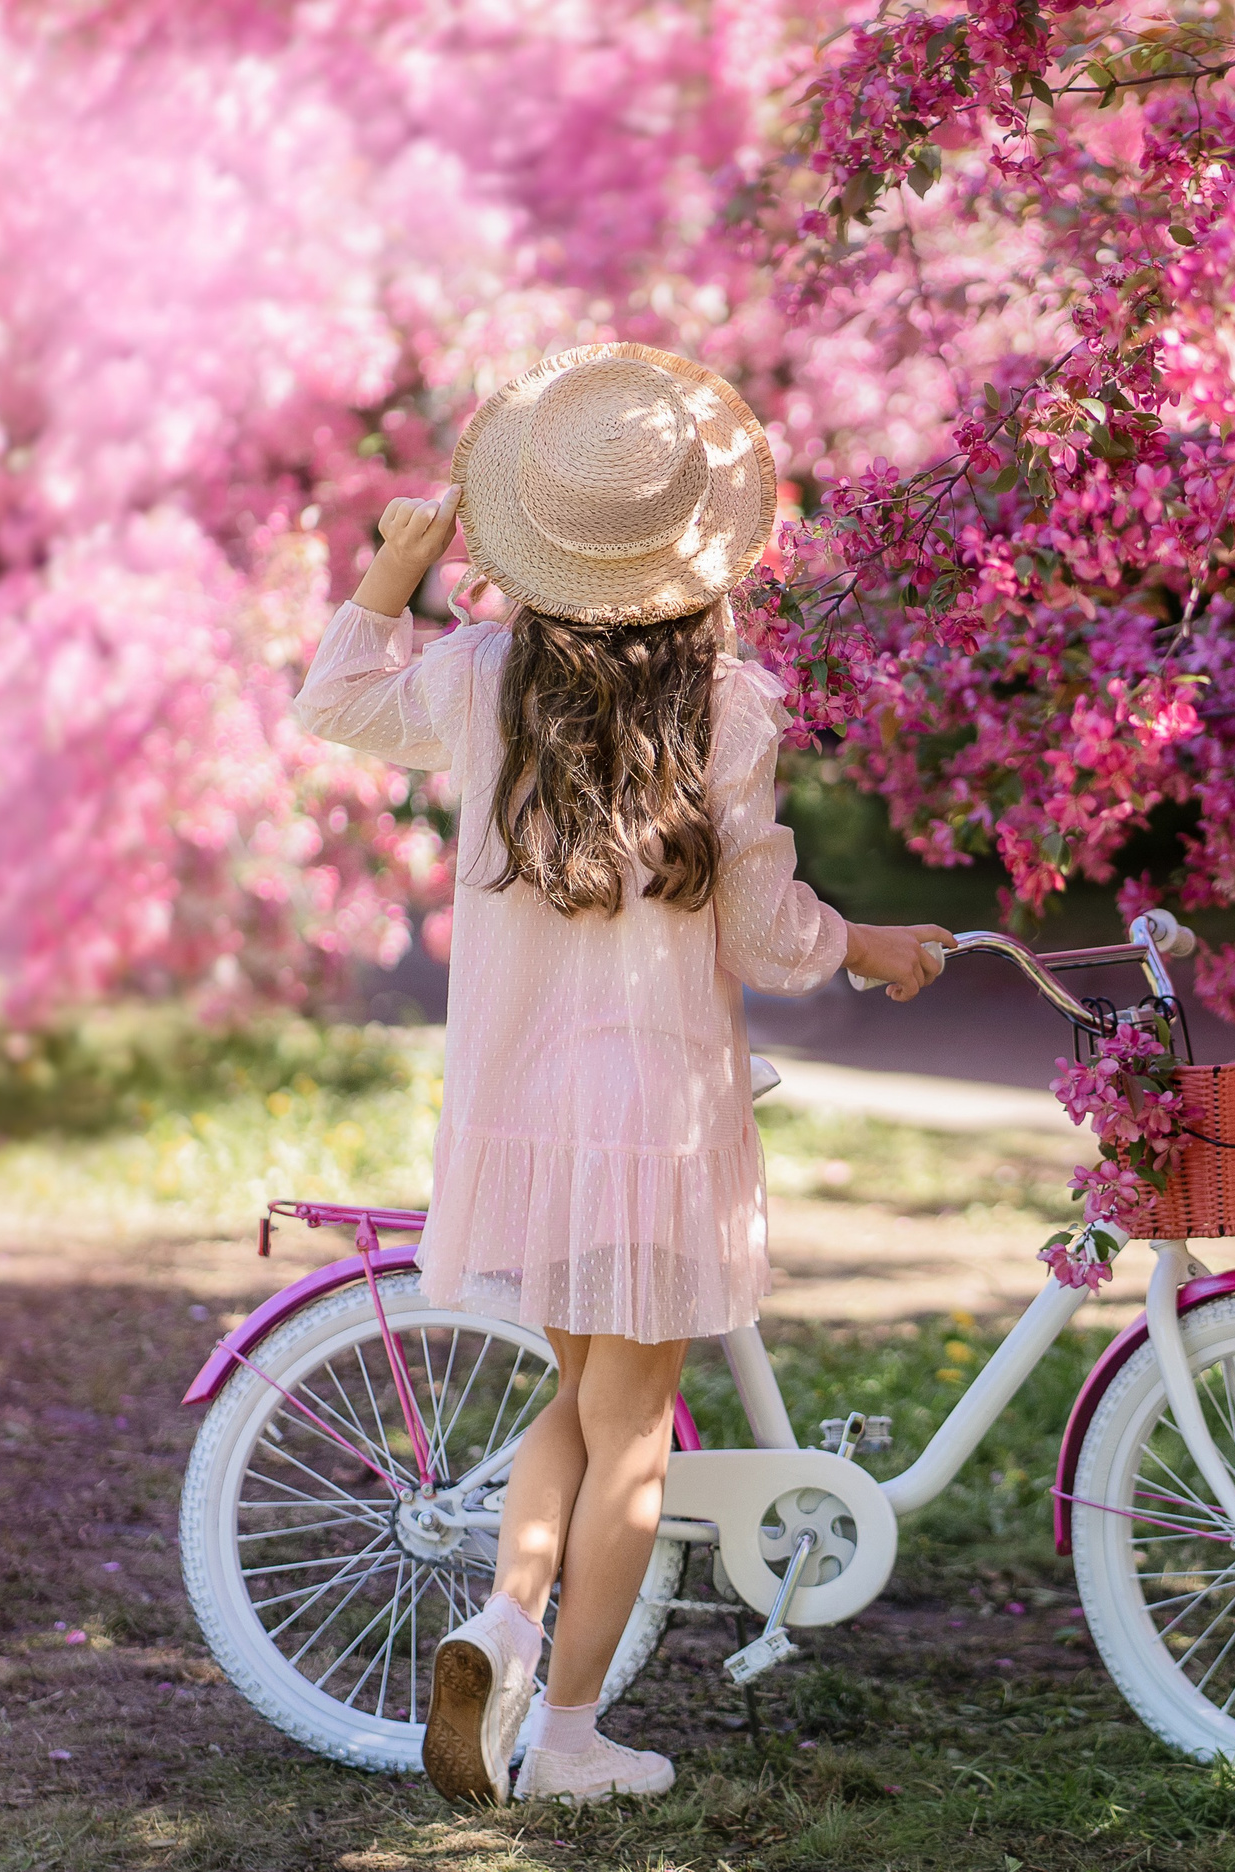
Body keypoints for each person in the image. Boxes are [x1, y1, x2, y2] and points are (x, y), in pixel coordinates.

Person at [292, 343, 949, 1808]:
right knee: (631, 1433)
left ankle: (503, 1623)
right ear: (696, 546)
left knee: (584, 1399)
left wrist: (394, 572)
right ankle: (572, 1735)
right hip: (657, 1115)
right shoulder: (731, 704)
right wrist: (872, 945)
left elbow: (337, 703)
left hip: (525, 1105)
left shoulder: (478, 677)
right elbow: (769, 935)